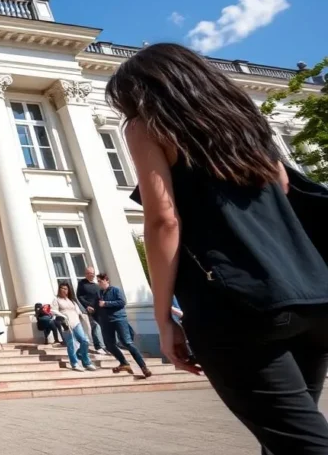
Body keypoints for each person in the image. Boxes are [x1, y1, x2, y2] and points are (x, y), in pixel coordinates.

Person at [108, 42, 328, 453]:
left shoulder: (147, 125)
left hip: (237, 307)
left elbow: (163, 220)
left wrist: (163, 315)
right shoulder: (244, 121)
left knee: (300, 443)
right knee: (286, 437)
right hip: (313, 298)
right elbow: (282, 187)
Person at [96, 274, 151, 378]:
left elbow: (122, 302)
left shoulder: (115, 290)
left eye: (100, 281)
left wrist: (106, 303)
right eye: (98, 281)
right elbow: (98, 306)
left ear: (107, 280)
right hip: (106, 321)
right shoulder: (100, 293)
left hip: (118, 318)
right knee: (109, 344)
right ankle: (124, 362)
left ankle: (143, 367)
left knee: (127, 342)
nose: (99, 283)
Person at [51, 283, 96, 372]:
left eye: (66, 289)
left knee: (84, 340)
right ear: (59, 289)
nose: (64, 290)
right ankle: (74, 363)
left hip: (76, 322)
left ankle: (85, 361)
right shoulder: (56, 300)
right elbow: (53, 311)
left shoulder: (72, 301)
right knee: (71, 344)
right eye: (62, 288)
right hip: (66, 324)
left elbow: (79, 312)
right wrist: (63, 316)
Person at [76, 267, 107, 354]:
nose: (92, 275)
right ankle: (98, 346)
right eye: (89, 273)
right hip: (90, 309)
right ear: (86, 274)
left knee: (104, 327)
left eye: (93, 273)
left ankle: (107, 345)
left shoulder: (97, 284)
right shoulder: (82, 283)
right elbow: (79, 296)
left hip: (100, 309)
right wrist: (87, 306)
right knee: (95, 326)